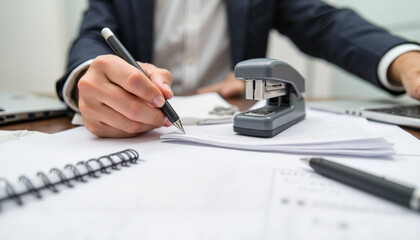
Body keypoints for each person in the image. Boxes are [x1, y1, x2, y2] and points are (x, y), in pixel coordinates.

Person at [56, 0, 420, 138]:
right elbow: (92, 36)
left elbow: (324, 23)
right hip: (141, 116)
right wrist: (90, 76)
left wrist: (404, 60)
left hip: (234, 110)